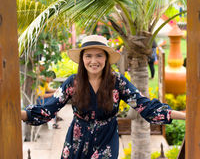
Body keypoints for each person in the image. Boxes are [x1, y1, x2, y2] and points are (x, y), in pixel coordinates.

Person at [21, 35, 186, 159]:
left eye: (99, 55)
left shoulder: (118, 82)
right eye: (88, 56)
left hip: (106, 140)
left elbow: (146, 107)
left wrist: (184, 116)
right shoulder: (73, 83)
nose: (94, 61)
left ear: (106, 58)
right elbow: (48, 109)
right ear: (82, 59)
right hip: (77, 141)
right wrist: (17, 113)